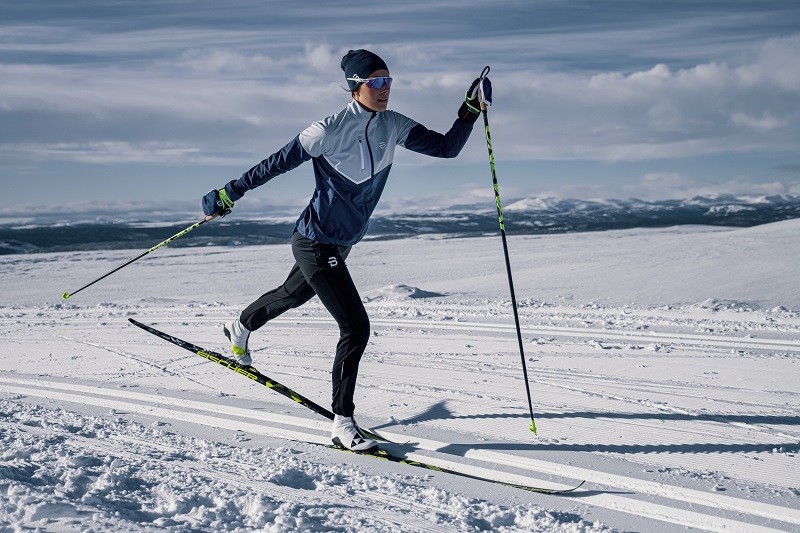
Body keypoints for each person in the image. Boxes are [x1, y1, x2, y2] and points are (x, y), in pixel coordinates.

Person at [202, 49, 491, 452]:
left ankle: (241, 326)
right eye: (376, 82)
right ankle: (342, 422)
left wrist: (469, 110)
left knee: (293, 294)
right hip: (315, 239)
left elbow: (446, 148)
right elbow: (275, 163)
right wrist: (229, 192)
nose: (385, 89)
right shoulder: (327, 129)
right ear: (356, 87)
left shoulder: (394, 125)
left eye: (388, 81)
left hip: (340, 242)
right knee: (356, 327)